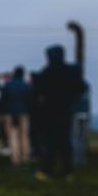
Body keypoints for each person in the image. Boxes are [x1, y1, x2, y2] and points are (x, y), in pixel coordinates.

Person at [33, 45, 86, 180]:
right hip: (66, 110)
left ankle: (47, 171)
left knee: (50, 143)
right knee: (65, 142)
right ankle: (67, 171)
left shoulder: (46, 72)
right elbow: (82, 88)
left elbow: (37, 92)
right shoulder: (71, 71)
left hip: (49, 112)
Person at [0, 66, 32, 165]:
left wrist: (3, 112)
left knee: (13, 136)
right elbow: (30, 100)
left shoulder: (7, 85)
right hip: (24, 113)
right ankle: (25, 157)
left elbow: (3, 100)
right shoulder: (26, 86)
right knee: (24, 136)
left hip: (10, 114)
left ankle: (15, 158)